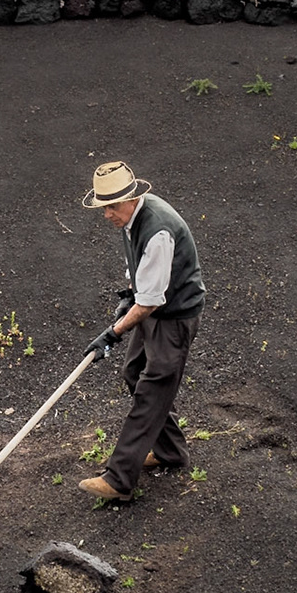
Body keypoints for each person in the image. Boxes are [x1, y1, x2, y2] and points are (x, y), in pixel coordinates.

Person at [76, 161, 205, 501]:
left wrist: (112, 333)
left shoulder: (158, 230)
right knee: (134, 371)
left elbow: (150, 302)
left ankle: (119, 480)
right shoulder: (130, 219)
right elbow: (141, 278)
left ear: (131, 198)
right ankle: (170, 451)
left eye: (112, 206)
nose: (107, 214)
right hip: (154, 307)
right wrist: (127, 297)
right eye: (104, 207)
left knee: (152, 389)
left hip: (174, 316)